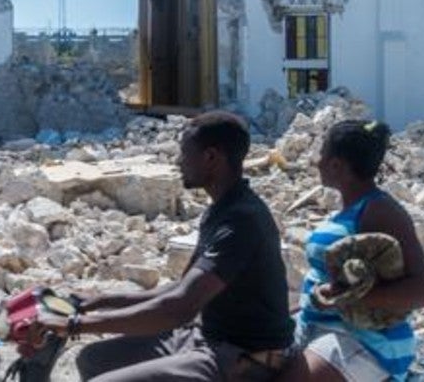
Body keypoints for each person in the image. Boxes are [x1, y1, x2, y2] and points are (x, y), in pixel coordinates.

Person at [32, 110, 294, 381]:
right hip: (208, 339)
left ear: (210, 157)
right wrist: (101, 301)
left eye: (185, 153)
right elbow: (181, 289)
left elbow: (179, 308)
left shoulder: (242, 220)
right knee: (94, 359)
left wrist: (76, 324)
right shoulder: (220, 211)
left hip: (244, 357)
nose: (178, 161)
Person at [283, 120, 424, 382]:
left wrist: (344, 297)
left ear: (336, 164)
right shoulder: (350, 210)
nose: (317, 162)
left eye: (322, 154)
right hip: (319, 328)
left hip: (366, 342)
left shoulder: (379, 210)